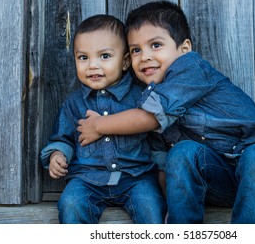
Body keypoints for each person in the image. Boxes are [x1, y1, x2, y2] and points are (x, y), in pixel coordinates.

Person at [77, 1, 255, 224]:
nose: (144, 56)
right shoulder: (147, 96)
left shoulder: (190, 68)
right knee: (182, 151)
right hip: (222, 183)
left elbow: (150, 118)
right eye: (136, 50)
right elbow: (163, 163)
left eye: (155, 45)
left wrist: (99, 125)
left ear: (184, 49)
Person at [40, 14, 166, 224]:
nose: (93, 65)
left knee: (150, 204)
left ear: (125, 61)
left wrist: (162, 168)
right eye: (83, 58)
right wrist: (57, 155)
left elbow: (156, 138)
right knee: (70, 203)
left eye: (104, 56)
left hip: (136, 177)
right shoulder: (74, 103)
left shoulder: (140, 97)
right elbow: (63, 137)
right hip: (87, 179)